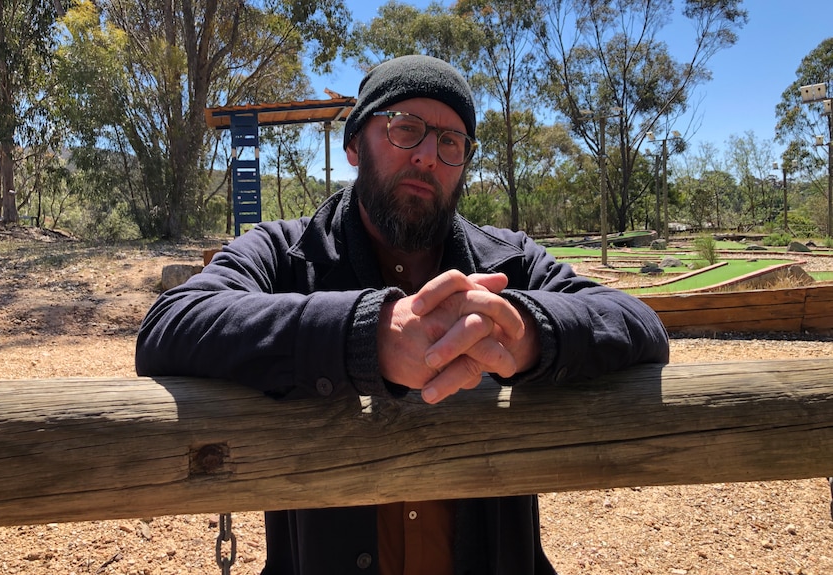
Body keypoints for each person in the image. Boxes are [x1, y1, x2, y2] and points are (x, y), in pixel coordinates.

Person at [136, 54, 669, 575]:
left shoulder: (510, 262)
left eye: (451, 141)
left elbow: (637, 322)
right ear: (353, 144)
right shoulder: (282, 252)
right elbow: (170, 323)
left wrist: (527, 334)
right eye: (405, 128)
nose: (428, 156)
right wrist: (365, 335)